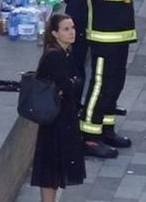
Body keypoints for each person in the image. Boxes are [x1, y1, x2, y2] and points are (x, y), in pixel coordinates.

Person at [80, 0, 137, 158]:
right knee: (100, 85)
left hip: (120, 36)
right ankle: (90, 137)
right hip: (104, 38)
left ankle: (106, 128)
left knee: (115, 83)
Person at [31, 13, 86, 202]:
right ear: (55, 33)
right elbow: (70, 86)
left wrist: (73, 83)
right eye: (66, 29)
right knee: (51, 170)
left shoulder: (65, 53)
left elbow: (75, 82)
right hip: (56, 123)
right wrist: (72, 83)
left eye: (72, 28)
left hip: (61, 119)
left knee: (53, 170)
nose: (72, 33)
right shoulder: (55, 56)